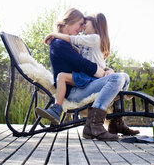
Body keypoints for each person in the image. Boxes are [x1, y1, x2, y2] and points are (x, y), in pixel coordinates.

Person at [35, 8, 138, 141]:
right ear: (69, 22)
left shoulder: (68, 43)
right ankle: (94, 125)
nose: (81, 28)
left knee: (123, 77)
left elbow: (88, 61)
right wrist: (103, 74)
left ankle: (114, 122)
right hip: (75, 91)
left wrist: (107, 70)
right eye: (80, 24)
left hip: (83, 85)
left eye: (84, 25)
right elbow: (84, 65)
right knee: (118, 78)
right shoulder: (59, 44)